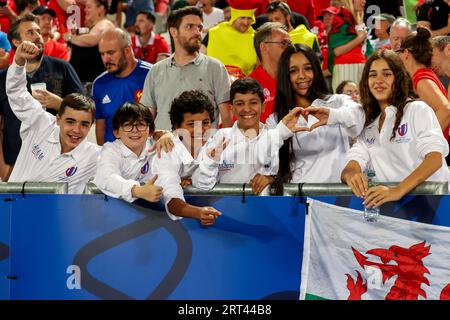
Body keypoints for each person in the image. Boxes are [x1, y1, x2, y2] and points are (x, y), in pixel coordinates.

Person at [341, 50, 450, 208]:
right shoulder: (369, 127)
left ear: (398, 78)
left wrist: (398, 190)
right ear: (366, 82)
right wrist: (351, 175)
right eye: (373, 75)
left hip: (438, 208)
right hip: (400, 214)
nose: (379, 80)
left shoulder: (417, 109)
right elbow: (351, 165)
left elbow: (434, 159)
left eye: (386, 74)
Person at [6, 40, 100, 193]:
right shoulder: (40, 124)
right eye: (70, 121)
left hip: (55, 216)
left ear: (91, 126)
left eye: (84, 124)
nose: (76, 130)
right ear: (58, 119)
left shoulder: (95, 157)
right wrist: (18, 60)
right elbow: (17, 94)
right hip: (12, 211)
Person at [268, 43, 364, 192]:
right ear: (285, 76)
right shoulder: (277, 119)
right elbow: (260, 155)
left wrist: (333, 115)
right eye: (293, 71)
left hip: (339, 198)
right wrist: (281, 132)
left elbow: (361, 118)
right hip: (297, 201)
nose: (302, 76)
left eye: (308, 68)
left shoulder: (338, 102)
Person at [0, 13, 84, 181]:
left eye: (38, 31)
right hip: (15, 163)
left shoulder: (63, 68)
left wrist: (59, 103)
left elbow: (86, 111)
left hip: (55, 165)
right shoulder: (3, 78)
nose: (38, 36)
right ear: (16, 42)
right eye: (30, 32)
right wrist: (3, 168)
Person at [194, 77, 307, 194]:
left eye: (253, 102)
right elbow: (203, 185)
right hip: (226, 209)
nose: (247, 109)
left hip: (265, 210)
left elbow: (293, 176)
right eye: (240, 103)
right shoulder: (220, 137)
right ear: (231, 108)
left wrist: (272, 179)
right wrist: (210, 163)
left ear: (263, 107)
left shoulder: (278, 136)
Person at [140, 6, 232, 130]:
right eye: (189, 27)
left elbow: (227, 117)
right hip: (164, 147)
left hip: (204, 147)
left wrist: (223, 147)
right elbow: (147, 116)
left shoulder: (216, 68)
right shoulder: (156, 71)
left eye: (199, 27)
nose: (197, 32)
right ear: (173, 32)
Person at [151, 90, 222, 226]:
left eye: (205, 122)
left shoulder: (217, 143)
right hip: (157, 221)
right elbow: (172, 200)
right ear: (177, 127)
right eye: (191, 124)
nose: (200, 130)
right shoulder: (167, 152)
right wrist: (199, 212)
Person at [93, 102, 163, 203]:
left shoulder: (157, 145)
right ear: (116, 132)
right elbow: (107, 177)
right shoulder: (111, 150)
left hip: (154, 212)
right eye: (127, 125)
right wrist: (137, 190)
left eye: (141, 125)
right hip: (114, 212)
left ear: (150, 131)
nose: (135, 130)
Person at [93, 28, 152, 145]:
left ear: (127, 51)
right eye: (102, 54)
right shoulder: (99, 83)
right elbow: (101, 126)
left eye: (110, 53)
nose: (105, 59)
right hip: (113, 156)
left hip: (147, 153)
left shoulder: (152, 74)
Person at [396, 28, 450, 144]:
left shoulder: (422, 78)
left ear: (405, 53)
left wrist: (424, 142)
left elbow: (445, 110)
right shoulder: (423, 75)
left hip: (439, 150)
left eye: (398, 52)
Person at [63, 0, 115, 83]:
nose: (85, 10)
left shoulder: (105, 24)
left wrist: (69, 38)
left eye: (89, 7)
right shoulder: (93, 27)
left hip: (92, 83)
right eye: (85, 7)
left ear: (101, 9)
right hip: (82, 81)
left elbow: (92, 39)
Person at [248, 22, 290, 122]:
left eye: (290, 44)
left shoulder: (294, 79)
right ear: (264, 47)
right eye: (283, 43)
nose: (290, 48)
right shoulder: (249, 86)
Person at [328, 0, 373, 92]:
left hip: (360, 68)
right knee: (344, 103)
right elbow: (337, 51)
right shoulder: (340, 18)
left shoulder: (356, 20)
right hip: (346, 68)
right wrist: (359, 38)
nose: (364, 1)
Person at [204, 0, 258, 76]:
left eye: (249, 18)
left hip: (244, 85)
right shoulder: (214, 32)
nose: (246, 22)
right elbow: (200, 55)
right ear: (234, 17)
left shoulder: (256, 38)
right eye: (242, 18)